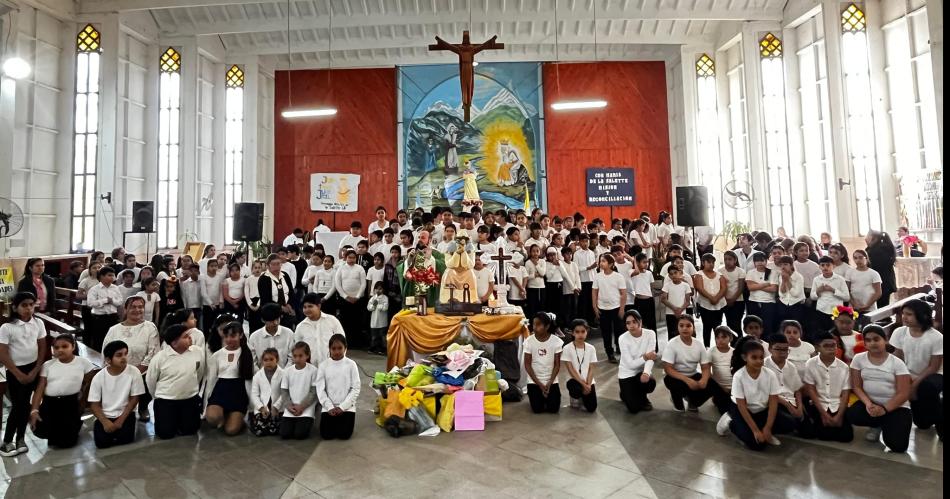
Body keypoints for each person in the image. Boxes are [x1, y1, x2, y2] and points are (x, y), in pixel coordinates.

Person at [847, 325, 913, 452]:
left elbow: (904, 393)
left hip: (896, 406)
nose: (872, 343)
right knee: (852, 414)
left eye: (876, 339)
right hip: (871, 403)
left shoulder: (897, 363)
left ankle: (885, 421)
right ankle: (876, 424)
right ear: (864, 343)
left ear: (885, 340)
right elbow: (856, 386)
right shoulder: (858, 359)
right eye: (868, 340)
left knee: (898, 446)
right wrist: (868, 404)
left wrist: (884, 409)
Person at [716, 339, 791, 450]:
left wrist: (767, 428)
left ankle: (761, 429)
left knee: (790, 424)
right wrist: (756, 431)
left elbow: (773, 402)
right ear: (745, 358)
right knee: (758, 445)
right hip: (742, 410)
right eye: (754, 358)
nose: (759, 361)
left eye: (761, 357)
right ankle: (732, 422)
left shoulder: (770, 375)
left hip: (761, 409)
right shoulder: (739, 376)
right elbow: (741, 405)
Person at [27, 334, 94, 449]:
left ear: (73, 347)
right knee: (41, 430)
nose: (60, 350)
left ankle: (73, 426)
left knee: (67, 443)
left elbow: (90, 384)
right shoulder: (48, 365)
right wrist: (34, 410)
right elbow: (40, 389)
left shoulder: (83, 363)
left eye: (64, 346)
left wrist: (83, 401)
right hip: (50, 403)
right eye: (56, 347)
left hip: (70, 403)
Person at [0, 292, 46, 457]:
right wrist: (17, 373)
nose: (28, 309)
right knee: (19, 406)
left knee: (26, 405)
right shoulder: (7, 327)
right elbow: (3, 354)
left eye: (31, 305)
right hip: (15, 370)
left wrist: (35, 370)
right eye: (24, 305)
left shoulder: (38, 323)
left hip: (33, 368)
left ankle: (20, 438)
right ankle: (6, 442)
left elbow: (42, 348)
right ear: (14, 307)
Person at [889, 299, 943, 437]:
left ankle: (940, 421)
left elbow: (934, 367)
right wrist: (905, 379)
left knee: (926, 387)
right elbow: (897, 359)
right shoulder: (899, 332)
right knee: (922, 425)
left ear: (923, 316)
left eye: (909, 314)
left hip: (934, 374)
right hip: (908, 373)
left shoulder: (936, 337)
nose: (904, 317)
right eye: (903, 313)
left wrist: (913, 385)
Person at [103, 296, 160, 422]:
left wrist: (136, 371)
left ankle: (143, 407)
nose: (137, 310)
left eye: (140, 307)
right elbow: (106, 352)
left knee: (149, 378)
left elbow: (153, 352)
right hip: (118, 370)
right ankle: (120, 410)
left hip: (143, 370)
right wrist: (118, 371)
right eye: (133, 307)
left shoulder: (150, 327)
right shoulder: (114, 330)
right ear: (125, 309)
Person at [146, 324, 206, 440]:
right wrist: (158, 397)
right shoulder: (160, 358)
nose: (190, 338)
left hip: (189, 398)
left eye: (189, 335)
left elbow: (199, 372)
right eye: (185, 336)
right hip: (166, 400)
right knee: (165, 434)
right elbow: (151, 381)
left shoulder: (197, 352)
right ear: (174, 343)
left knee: (190, 431)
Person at [88, 340, 145, 448]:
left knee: (126, 440)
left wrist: (120, 421)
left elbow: (134, 399)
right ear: (108, 360)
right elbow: (94, 405)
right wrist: (105, 422)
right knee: (102, 444)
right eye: (119, 355)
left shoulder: (134, 372)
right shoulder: (99, 377)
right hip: (105, 415)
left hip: (125, 414)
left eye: (125, 354)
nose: (124, 357)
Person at [800, 331, 853, 442]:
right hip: (819, 404)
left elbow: (845, 394)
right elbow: (811, 390)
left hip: (837, 404)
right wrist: (824, 415)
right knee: (823, 435)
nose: (831, 349)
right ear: (818, 348)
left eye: (833, 345)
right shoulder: (810, 364)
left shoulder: (843, 367)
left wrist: (839, 416)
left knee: (847, 437)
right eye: (826, 346)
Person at [204, 322, 254, 436]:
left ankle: (235, 417)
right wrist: (206, 401)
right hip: (221, 390)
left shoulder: (247, 353)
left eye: (233, 336)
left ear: (240, 335)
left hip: (238, 392)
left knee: (231, 431)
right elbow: (211, 380)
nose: (229, 339)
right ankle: (223, 414)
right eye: (226, 336)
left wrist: (252, 405)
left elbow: (252, 378)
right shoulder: (217, 355)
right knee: (212, 418)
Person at [662, 315, 713, 412]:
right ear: (677, 327)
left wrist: (704, 380)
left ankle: (693, 402)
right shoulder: (672, 344)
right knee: (679, 407)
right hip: (676, 377)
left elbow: (705, 367)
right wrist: (687, 380)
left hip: (692, 374)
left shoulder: (699, 344)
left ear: (693, 328)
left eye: (688, 326)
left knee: (712, 384)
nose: (684, 328)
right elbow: (668, 369)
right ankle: (676, 400)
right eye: (681, 326)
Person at [316, 334, 361, 440]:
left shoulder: (351, 364)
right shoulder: (323, 365)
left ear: (345, 348)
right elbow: (320, 389)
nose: (336, 352)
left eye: (340, 348)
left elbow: (355, 388)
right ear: (329, 349)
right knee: (326, 435)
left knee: (344, 435)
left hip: (347, 407)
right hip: (329, 407)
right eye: (333, 348)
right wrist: (329, 406)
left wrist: (343, 406)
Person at [617, 311, 657, 413]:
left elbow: (651, 357)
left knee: (650, 382)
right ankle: (624, 393)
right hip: (627, 372)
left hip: (641, 371)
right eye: (628, 323)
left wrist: (646, 372)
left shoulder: (650, 334)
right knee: (634, 409)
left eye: (634, 322)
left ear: (640, 322)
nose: (631, 325)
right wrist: (645, 357)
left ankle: (643, 397)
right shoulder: (622, 338)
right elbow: (630, 365)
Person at [764, 335, 806, 433]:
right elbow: (766, 392)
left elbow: (797, 390)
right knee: (789, 423)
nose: (782, 353)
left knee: (808, 432)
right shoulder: (764, 365)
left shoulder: (791, 366)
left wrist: (799, 407)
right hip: (774, 402)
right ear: (770, 349)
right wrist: (788, 406)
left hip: (791, 400)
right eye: (778, 349)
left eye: (785, 350)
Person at [523, 312, 563, 414]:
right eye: (534, 324)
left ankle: (547, 395)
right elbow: (527, 364)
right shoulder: (529, 341)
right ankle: (537, 394)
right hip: (534, 381)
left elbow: (557, 365)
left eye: (538, 324)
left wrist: (550, 382)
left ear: (547, 326)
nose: (535, 327)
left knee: (553, 409)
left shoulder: (556, 341)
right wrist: (539, 384)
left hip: (551, 380)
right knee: (537, 409)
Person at [279, 342, 319, 440]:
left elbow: (313, 392)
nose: (297, 359)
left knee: (299, 435)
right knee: (285, 434)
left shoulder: (313, 371)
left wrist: (302, 406)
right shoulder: (287, 371)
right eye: (295, 356)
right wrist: (289, 406)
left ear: (307, 355)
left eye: (301, 356)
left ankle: (305, 422)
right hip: (291, 407)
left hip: (306, 407)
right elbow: (284, 391)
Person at [593, 254, 627, 362]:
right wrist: (595, 306)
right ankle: (609, 353)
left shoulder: (618, 277)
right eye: (600, 261)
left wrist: (622, 308)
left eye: (603, 261)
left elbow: (623, 294)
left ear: (611, 264)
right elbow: (594, 292)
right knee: (605, 332)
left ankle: (619, 346)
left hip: (616, 307)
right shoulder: (597, 276)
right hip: (603, 308)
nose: (601, 263)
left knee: (619, 330)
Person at [334, 249, 368, 347]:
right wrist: (345, 296)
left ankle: (357, 343)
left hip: (358, 300)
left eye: (353, 258)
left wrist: (357, 297)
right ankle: (346, 343)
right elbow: (338, 284)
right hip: (344, 300)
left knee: (357, 322)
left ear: (356, 258)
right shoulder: (341, 268)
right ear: (345, 258)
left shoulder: (360, 268)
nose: (352, 259)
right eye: (349, 257)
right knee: (345, 321)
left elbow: (363, 284)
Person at [562, 320, 597, 412]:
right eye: (577, 332)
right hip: (574, 380)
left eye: (583, 331)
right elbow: (571, 369)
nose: (580, 334)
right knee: (576, 390)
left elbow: (592, 368)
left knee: (592, 408)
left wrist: (588, 384)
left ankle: (583, 397)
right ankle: (576, 397)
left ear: (587, 331)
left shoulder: (591, 348)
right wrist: (583, 385)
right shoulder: (567, 348)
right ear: (572, 333)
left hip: (588, 381)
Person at [87, 266, 124, 352]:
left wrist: (112, 301)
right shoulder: (94, 289)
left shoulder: (115, 288)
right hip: (99, 318)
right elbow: (90, 303)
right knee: (99, 340)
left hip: (113, 317)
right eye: (109, 275)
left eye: (113, 275)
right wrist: (104, 301)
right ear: (102, 276)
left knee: (113, 339)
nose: (112, 277)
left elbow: (120, 301)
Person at [693, 254, 727, 347]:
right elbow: (700, 288)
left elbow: (723, 288)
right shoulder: (699, 274)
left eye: (713, 262)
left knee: (718, 326)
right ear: (703, 263)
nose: (711, 264)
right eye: (708, 262)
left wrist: (716, 298)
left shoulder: (720, 275)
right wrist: (711, 298)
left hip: (719, 304)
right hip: (705, 304)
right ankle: (707, 347)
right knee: (707, 327)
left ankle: (718, 346)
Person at [249, 348, 285, 437]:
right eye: (265, 360)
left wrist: (276, 407)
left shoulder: (283, 374)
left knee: (277, 430)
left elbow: (284, 393)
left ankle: (273, 426)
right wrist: (261, 408)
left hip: (278, 408)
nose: (268, 362)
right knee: (259, 431)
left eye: (271, 359)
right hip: (263, 408)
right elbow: (254, 394)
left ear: (277, 360)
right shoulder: (257, 376)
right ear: (262, 361)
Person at [810, 256, 850, 333]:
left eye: (828, 265)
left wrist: (833, 290)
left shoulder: (840, 279)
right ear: (819, 267)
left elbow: (847, 297)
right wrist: (818, 291)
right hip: (821, 311)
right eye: (822, 265)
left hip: (836, 312)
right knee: (821, 333)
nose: (825, 267)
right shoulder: (817, 279)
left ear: (833, 266)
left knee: (836, 334)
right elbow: (812, 297)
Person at [258, 254, 297, 329]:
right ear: (268, 265)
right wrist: (281, 307)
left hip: (287, 311)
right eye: (273, 264)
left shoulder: (285, 275)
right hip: (271, 311)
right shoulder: (263, 278)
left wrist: (290, 304)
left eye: (278, 264)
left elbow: (291, 292)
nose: (276, 266)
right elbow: (265, 299)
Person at [249, 303, 294, 368]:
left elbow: (291, 358)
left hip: (285, 375)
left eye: (277, 319)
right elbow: (253, 361)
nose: (275, 323)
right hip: (261, 376)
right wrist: (260, 375)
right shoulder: (254, 337)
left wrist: (284, 375)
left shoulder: (289, 333)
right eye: (272, 321)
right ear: (263, 320)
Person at [745, 253, 777, 336]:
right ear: (754, 262)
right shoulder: (750, 272)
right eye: (757, 261)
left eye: (762, 260)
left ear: (766, 261)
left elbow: (773, 289)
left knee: (767, 326)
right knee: (753, 326)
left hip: (769, 303)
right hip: (753, 302)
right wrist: (765, 284)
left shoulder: (772, 272)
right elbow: (750, 288)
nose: (760, 263)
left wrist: (756, 285)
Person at [864, 230, 897, 309]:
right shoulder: (882, 247)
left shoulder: (876, 251)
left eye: (867, 236)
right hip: (885, 283)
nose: (865, 238)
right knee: (883, 307)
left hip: (882, 284)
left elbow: (872, 268)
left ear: (873, 238)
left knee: (881, 309)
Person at [708, 326, 735, 415]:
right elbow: (707, 372)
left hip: (733, 387)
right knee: (724, 409)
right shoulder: (711, 352)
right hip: (719, 387)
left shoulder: (734, 352)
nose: (720, 340)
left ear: (730, 338)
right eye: (717, 337)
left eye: (724, 337)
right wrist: (720, 387)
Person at [660, 267, 692, 342]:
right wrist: (675, 309)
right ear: (669, 276)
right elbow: (663, 299)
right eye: (671, 274)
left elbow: (688, 301)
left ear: (680, 273)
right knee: (671, 334)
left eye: (675, 273)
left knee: (682, 333)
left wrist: (680, 310)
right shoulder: (667, 285)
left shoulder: (685, 285)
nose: (673, 275)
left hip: (682, 313)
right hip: (670, 313)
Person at [366, 282, 389, 356]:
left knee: (382, 336)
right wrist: (373, 305)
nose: (378, 291)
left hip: (382, 321)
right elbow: (369, 308)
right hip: (374, 321)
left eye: (380, 289)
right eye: (376, 289)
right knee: (374, 336)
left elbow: (385, 308)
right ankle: (373, 348)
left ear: (383, 290)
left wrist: (378, 305)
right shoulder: (373, 298)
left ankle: (383, 349)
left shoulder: (385, 298)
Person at [245, 259, 264, 332]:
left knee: (260, 322)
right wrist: (250, 305)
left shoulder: (263, 278)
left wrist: (258, 305)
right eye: (255, 268)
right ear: (252, 269)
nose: (257, 269)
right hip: (251, 302)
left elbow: (263, 293)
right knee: (252, 323)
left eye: (259, 267)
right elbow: (246, 292)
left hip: (261, 301)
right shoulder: (249, 279)